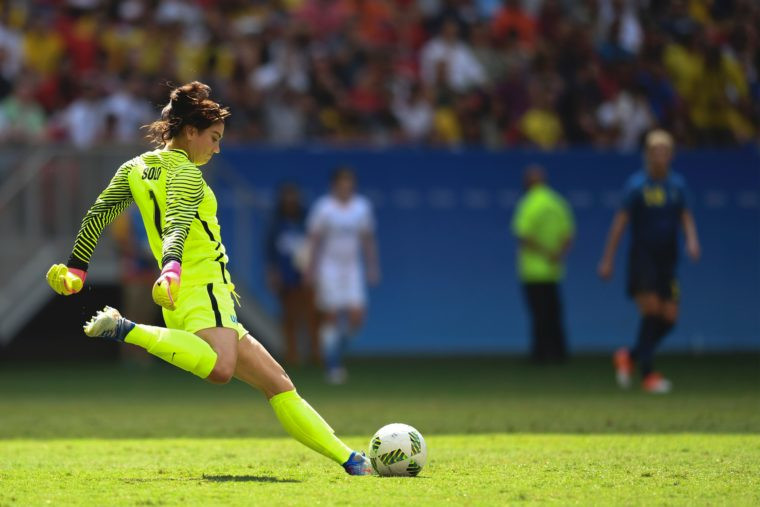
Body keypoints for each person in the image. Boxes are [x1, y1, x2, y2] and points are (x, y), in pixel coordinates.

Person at [45, 81, 373, 475]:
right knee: (220, 369)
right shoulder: (187, 174)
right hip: (200, 286)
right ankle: (125, 328)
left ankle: (352, 461)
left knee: (279, 384)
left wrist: (77, 267)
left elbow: (98, 214)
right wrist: (171, 267)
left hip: (182, 294)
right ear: (190, 132)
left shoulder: (134, 167)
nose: (216, 149)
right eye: (214, 138)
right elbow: (178, 224)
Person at [598, 129, 700, 393]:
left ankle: (629, 356)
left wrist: (691, 240)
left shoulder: (677, 186)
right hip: (643, 257)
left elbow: (685, 217)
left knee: (670, 318)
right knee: (652, 310)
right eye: (655, 152)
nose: (659, 157)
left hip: (668, 258)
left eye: (664, 152)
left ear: (671, 156)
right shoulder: (636, 186)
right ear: (647, 155)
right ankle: (648, 375)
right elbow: (619, 224)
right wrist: (607, 258)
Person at [306, 168, 380, 384]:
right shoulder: (324, 208)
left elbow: (367, 239)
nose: (345, 188)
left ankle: (336, 350)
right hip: (329, 268)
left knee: (357, 316)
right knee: (331, 316)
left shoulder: (362, 207)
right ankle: (332, 364)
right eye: (342, 184)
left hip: (352, 269)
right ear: (334, 185)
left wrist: (372, 266)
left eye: (349, 184)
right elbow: (313, 240)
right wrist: (310, 268)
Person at [511, 165, 574, 363]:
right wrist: (558, 254)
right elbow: (568, 232)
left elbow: (523, 235)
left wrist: (545, 253)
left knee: (539, 314)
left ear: (529, 182)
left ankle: (540, 354)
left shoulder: (528, 203)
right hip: (554, 269)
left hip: (532, 271)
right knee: (554, 312)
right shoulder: (557, 202)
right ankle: (559, 353)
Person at [265, 184, 320, 366]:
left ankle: (315, 354)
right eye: (287, 198)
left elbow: (314, 247)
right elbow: (270, 251)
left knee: (311, 315)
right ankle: (292, 354)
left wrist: (312, 269)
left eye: (293, 197)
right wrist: (273, 273)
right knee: (289, 317)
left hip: (305, 274)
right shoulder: (276, 223)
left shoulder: (306, 221)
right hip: (286, 275)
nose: (290, 202)